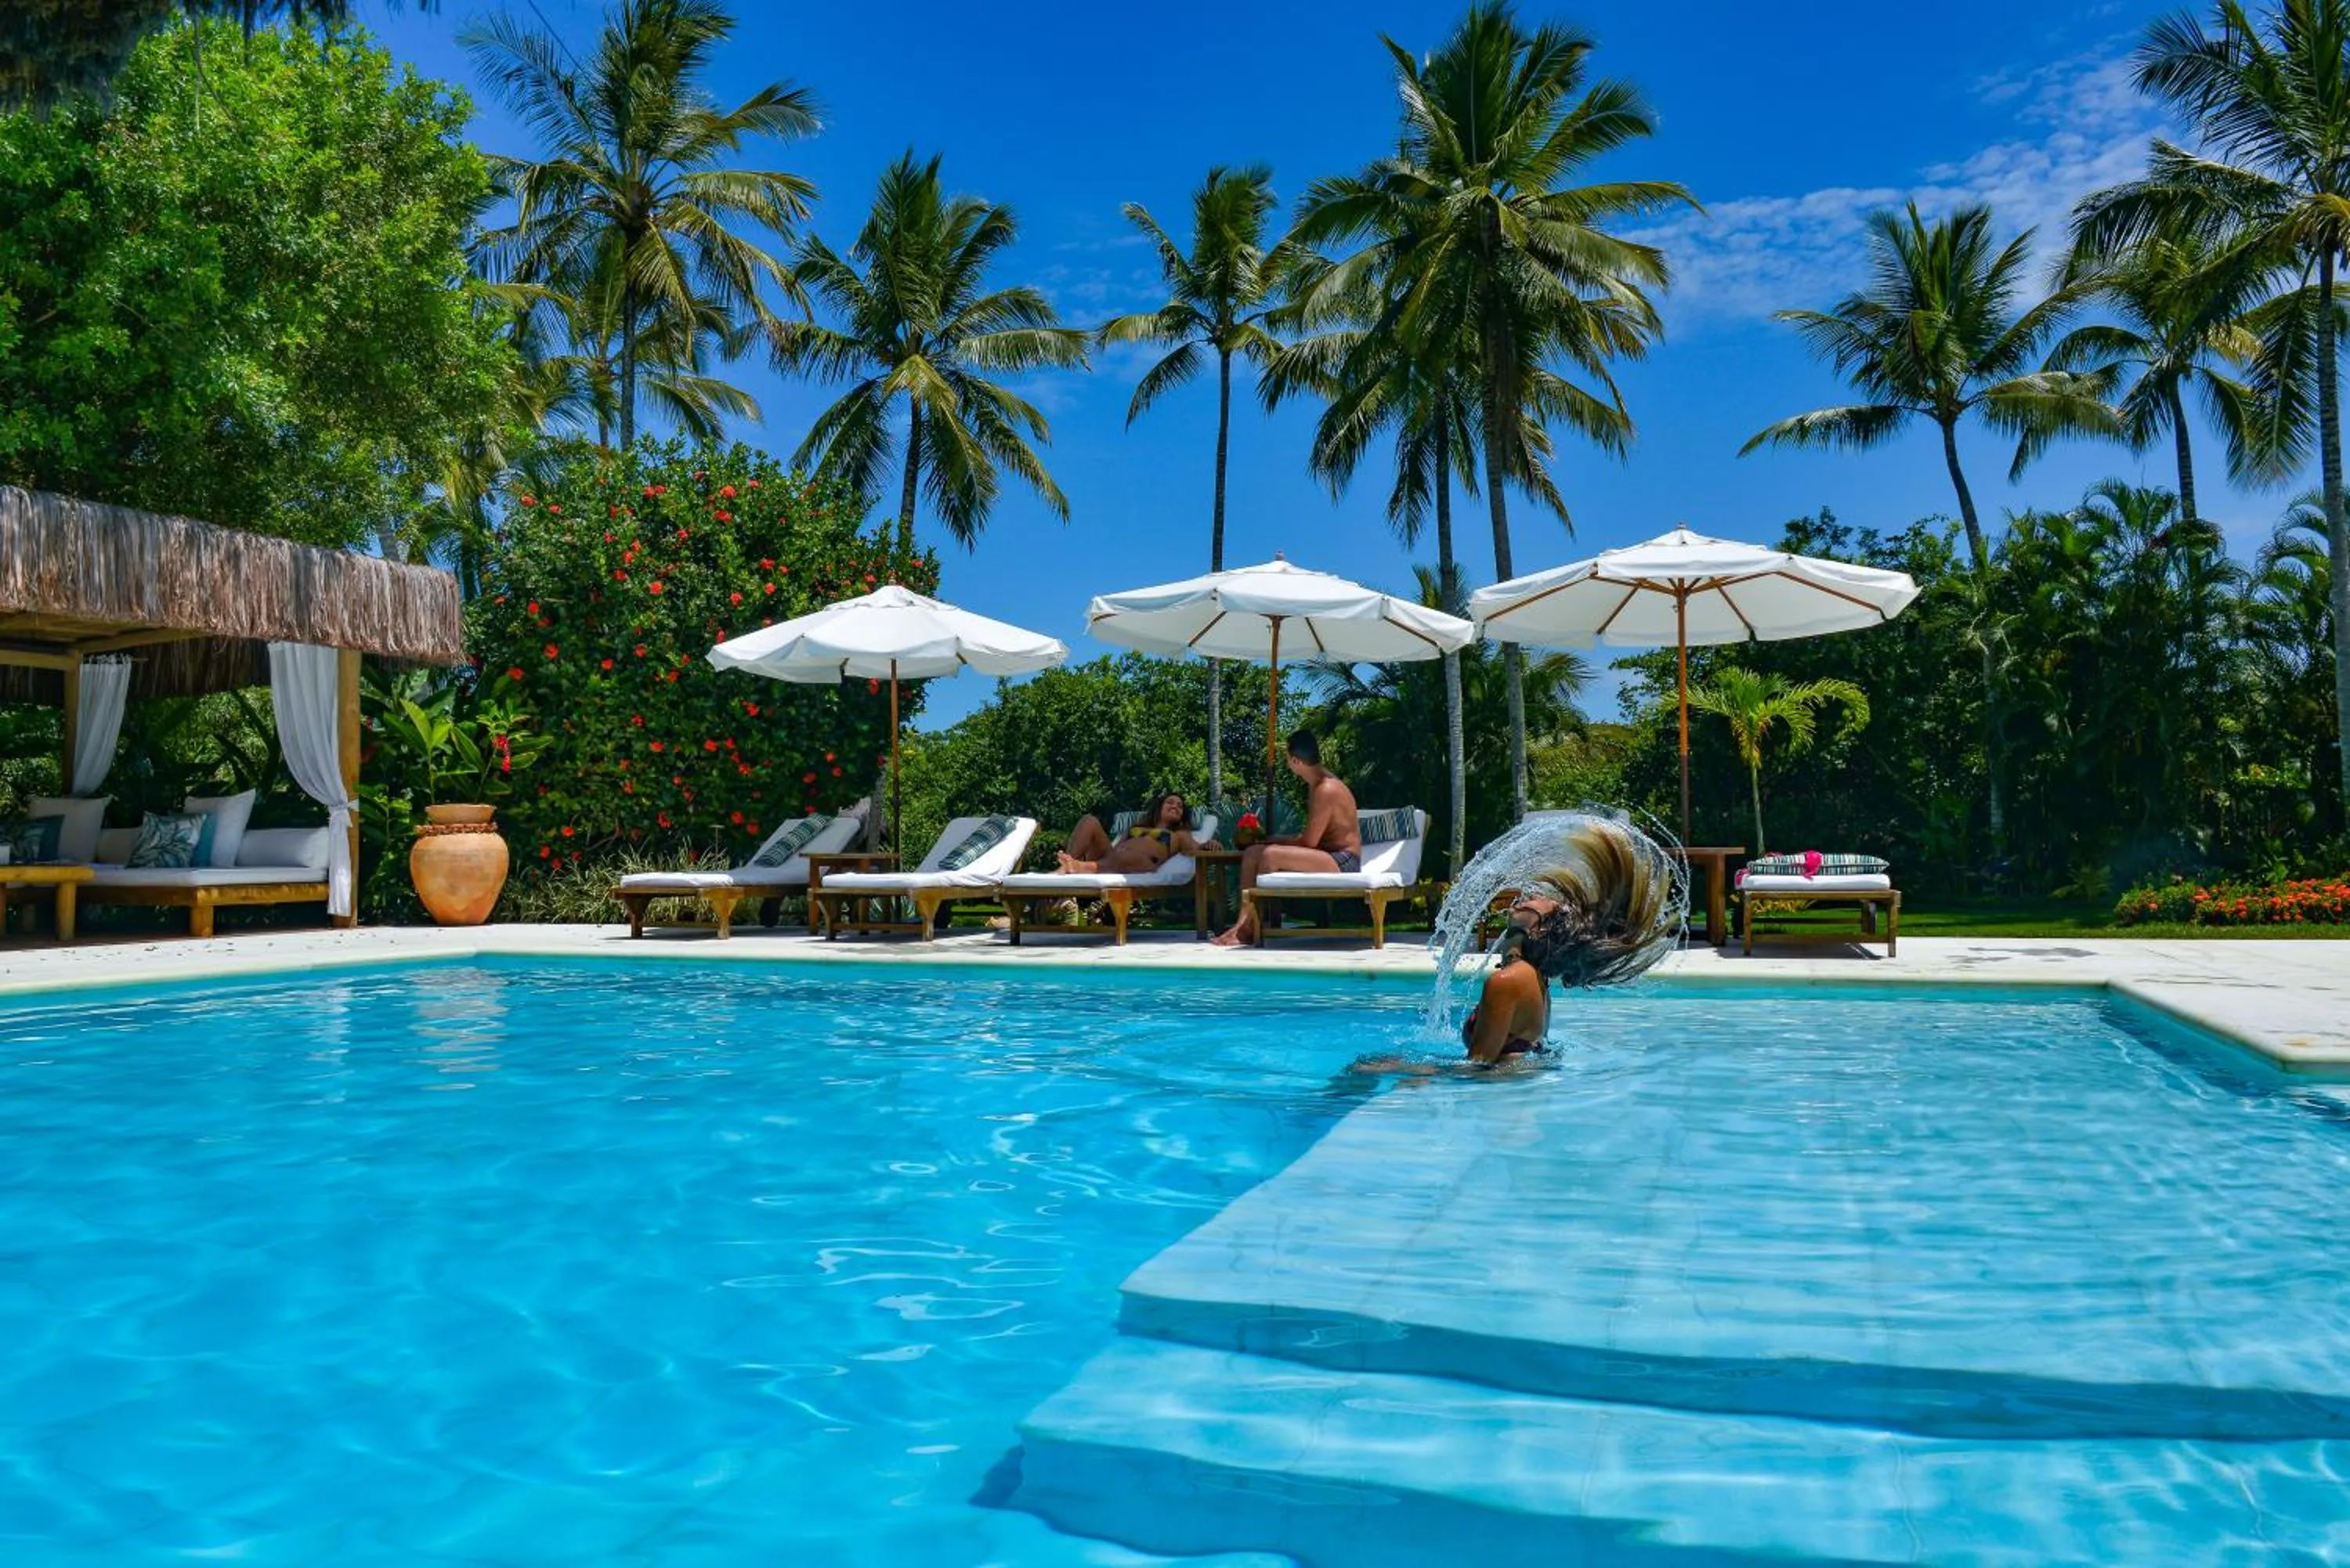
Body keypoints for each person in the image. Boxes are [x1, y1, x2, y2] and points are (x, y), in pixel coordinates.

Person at [1211, 729, 1361, 947]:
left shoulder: (1325, 788)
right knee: (1253, 853)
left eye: (1287, 760)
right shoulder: (1317, 784)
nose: (1287, 764)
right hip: (1327, 855)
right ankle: (1243, 923)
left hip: (1343, 861)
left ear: (1295, 760)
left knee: (1270, 854)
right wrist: (1269, 840)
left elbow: (1309, 842)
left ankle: (1252, 926)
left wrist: (1273, 840)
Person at [1056, 790, 1217, 874]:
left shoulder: (1180, 834)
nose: (1175, 806)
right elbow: (1116, 849)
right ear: (1160, 807)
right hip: (1115, 859)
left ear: (1182, 816)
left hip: (1142, 863)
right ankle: (1068, 871)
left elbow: (1194, 849)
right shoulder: (1138, 826)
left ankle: (1078, 867)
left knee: (1127, 855)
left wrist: (1209, 844)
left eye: (1180, 806)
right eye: (1170, 802)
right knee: (1089, 821)